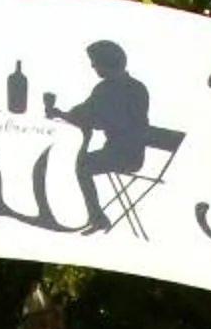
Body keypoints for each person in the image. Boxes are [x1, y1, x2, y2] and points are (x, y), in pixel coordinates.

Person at [45, 40, 153, 232]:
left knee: (82, 166)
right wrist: (63, 114)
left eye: (95, 62)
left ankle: (97, 218)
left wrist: (86, 118)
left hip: (128, 155)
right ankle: (97, 218)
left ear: (107, 62)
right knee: (81, 162)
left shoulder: (132, 89)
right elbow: (85, 111)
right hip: (113, 150)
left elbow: (115, 121)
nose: (93, 66)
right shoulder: (105, 88)